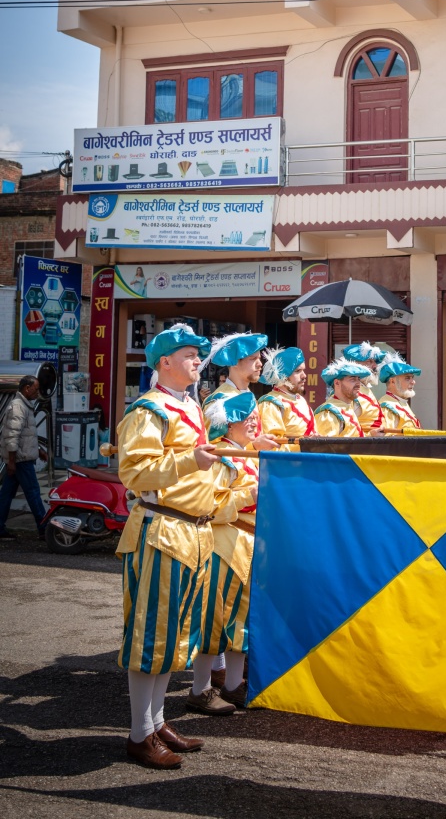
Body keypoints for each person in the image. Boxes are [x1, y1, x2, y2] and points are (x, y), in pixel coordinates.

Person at [115, 323, 273, 769]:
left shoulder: (190, 406)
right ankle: (139, 732)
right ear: (164, 362)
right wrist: (193, 458)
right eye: (188, 355)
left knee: (173, 637)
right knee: (152, 635)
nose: (196, 362)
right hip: (164, 530)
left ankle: (156, 721)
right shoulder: (149, 410)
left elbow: (203, 468)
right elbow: (136, 474)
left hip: (193, 530)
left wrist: (236, 456)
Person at [189, 391, 262, 712]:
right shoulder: (224, 458)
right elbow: (210, 507)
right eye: (246, 418)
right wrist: (250, 493)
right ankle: (200, 689)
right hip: (224, 546)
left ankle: (233, 685)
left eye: (254, 417)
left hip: (248, 546)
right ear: (228, 426)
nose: (253, 422)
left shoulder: (247, 454)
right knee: (214, 620)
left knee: (241, 621)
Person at [0, 376, 47, 540]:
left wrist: (39, 450)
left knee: (6, 494)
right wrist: (12, 462)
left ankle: (0, 528)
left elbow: (26, 436)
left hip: (20, 459)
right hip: (20, 460)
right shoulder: (18, 407)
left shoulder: (25, 406)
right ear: (27, 388)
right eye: (35, 389)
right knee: (33, 492)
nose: (37, 392)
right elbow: (12, 436)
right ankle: (44, 528)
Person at [257, 346, 315, 441]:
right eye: (297, 371)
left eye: (303, 370)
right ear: (283, 375)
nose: (304, 376)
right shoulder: (271, 403)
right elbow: (273, 447)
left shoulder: (301, 400)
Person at [314, 359, 370, 437]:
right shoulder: (329, 414)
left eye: (359, 379)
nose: (358, 384)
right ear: (337, 383)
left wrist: (371, 435)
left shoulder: (347, 407)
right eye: (353, 379)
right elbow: (326, 447)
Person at [341, 341, 386, 433]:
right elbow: (345, 430)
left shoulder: (365, 389)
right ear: (354, 364)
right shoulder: (348, 392)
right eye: (369, 361)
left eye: (375, 362)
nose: (375, 366)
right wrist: (370, 436)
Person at [378, 360, 422, 432]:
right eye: (407, 378)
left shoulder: (400, 402)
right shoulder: (387, 407)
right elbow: (387, 438)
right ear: (392, 381)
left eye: (412, 378)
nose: (413, 382)